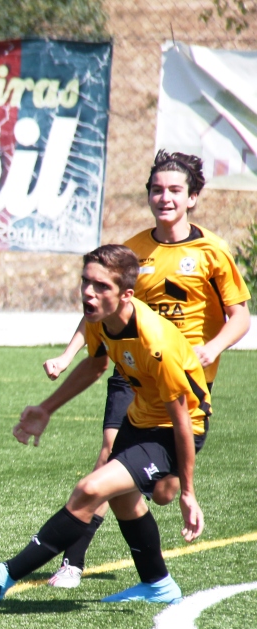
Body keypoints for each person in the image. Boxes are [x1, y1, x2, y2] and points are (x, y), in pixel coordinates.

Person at [39, 151, 250, 588]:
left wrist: (211, 348)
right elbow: (99, 310)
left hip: (181, 379)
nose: (164, 198)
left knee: (160, 491)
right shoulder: (133, 250)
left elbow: (241, 316)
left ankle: (169, 481)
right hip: (131, 369)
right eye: (157, 190)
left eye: (174, 190)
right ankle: (72, 562)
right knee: (106, 460)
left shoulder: (211, 251)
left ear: (193, 197)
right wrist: (68, 353)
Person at [0, 244, 210, 605]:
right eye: (85, 282)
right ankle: (158, 585)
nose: (89, 294)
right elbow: (94, 366)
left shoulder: (156, 342)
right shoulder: (101, 322)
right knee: (124, 502)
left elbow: (183, 420)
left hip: (174, 431)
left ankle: (5, 575)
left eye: (101, 287)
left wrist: (188, 491)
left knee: (90, 490)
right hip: (139, 421)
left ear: (126, 294)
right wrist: (46, 409)